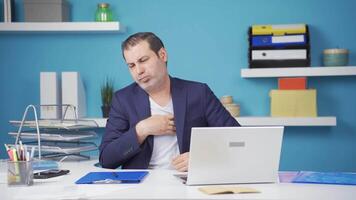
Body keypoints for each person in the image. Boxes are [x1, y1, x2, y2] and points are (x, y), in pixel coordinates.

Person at [99, 32, 240, 171]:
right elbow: (106, 159)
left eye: (143, 60)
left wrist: (202, 157)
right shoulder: (123, 99)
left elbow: (238, 140)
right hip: (141, 187)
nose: (139, 71)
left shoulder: (198, 93)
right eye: (132, 65)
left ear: (163, 55)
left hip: (187, 181)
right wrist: (141, 130)